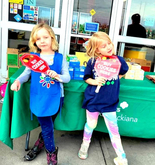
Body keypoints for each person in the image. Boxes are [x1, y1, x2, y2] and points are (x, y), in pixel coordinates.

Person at [10, 23, 70, 165]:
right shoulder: (33, 58)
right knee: (47, 128)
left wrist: (57, 76)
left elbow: (67, 78)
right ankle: (51, 157)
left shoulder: (60, 58)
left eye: (45, 37)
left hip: (56, 97)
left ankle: (38, 145)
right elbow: (26, 74)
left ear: (52, 38)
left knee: (47, 126)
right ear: (34, 41)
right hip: (39, 98)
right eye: (38, 38)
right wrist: (18, 81)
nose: (42, 41)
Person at [78, 31, 129, 165]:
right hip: (93, 100)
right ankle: (84, 145)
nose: (108, 47)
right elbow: (86, 78)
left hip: (109, 101)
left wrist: (113, 77)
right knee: (91, 124)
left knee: (114, 130)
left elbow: (123, 72)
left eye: (109, 43)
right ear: (96, 49)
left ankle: (121, 156)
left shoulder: (119, 60)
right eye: (103, 46)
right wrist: (95, 81)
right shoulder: (92, 61)